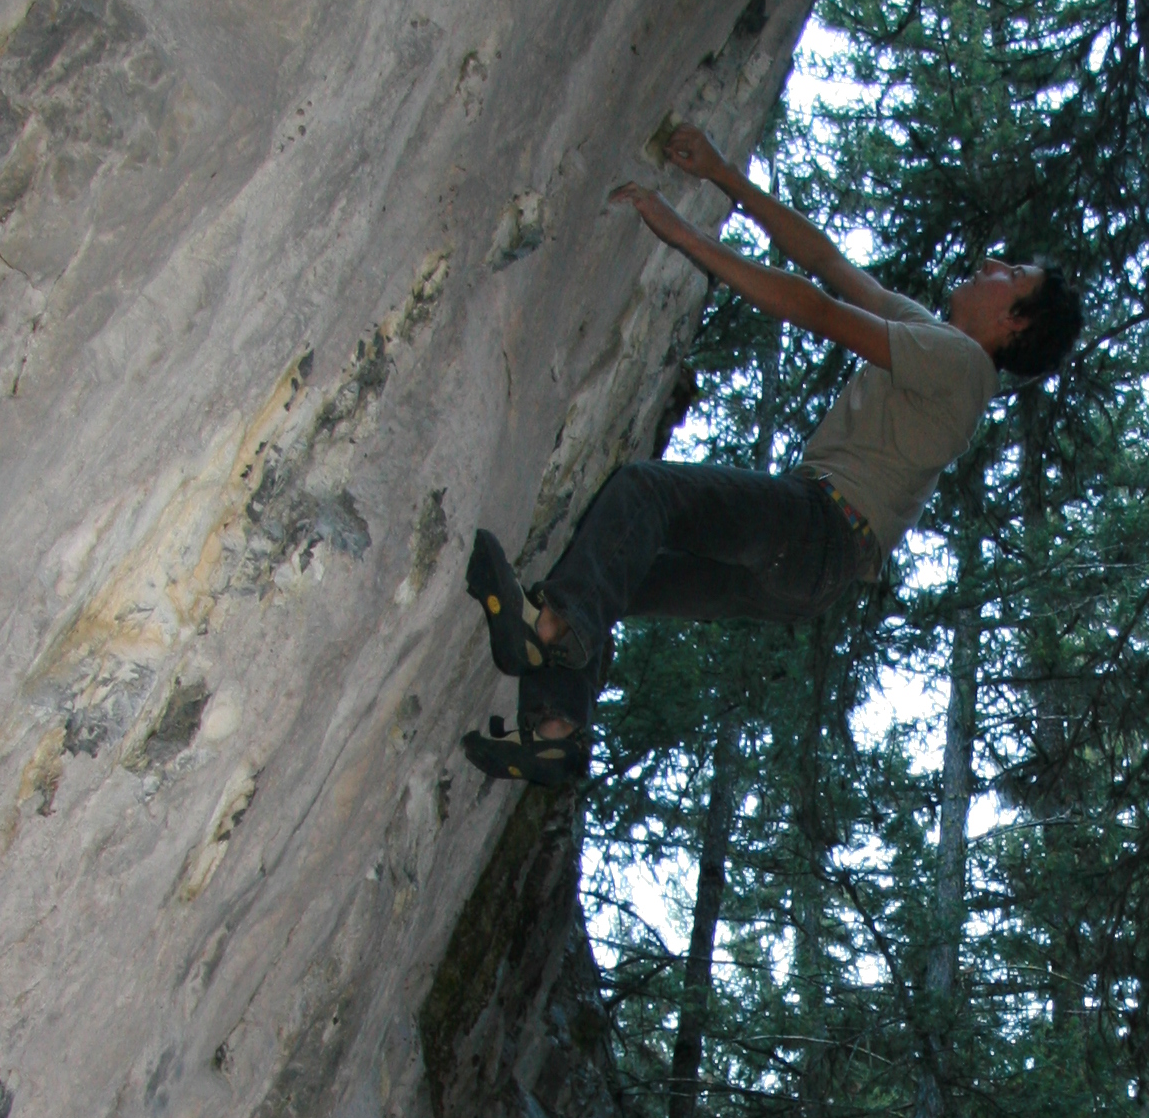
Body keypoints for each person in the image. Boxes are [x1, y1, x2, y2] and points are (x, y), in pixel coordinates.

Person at [461, 121, 1083, 780]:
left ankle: (551, 630)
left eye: (1010, 276)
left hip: (819, 528)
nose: (990, 266)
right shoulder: (939, 346)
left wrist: (686, 236)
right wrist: (724, 175)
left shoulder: (959, 363)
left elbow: (817, 308)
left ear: (1016, 322)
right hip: (813, 571)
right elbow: (828, 263)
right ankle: (557, 731)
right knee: (618, 572)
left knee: (647, 494)